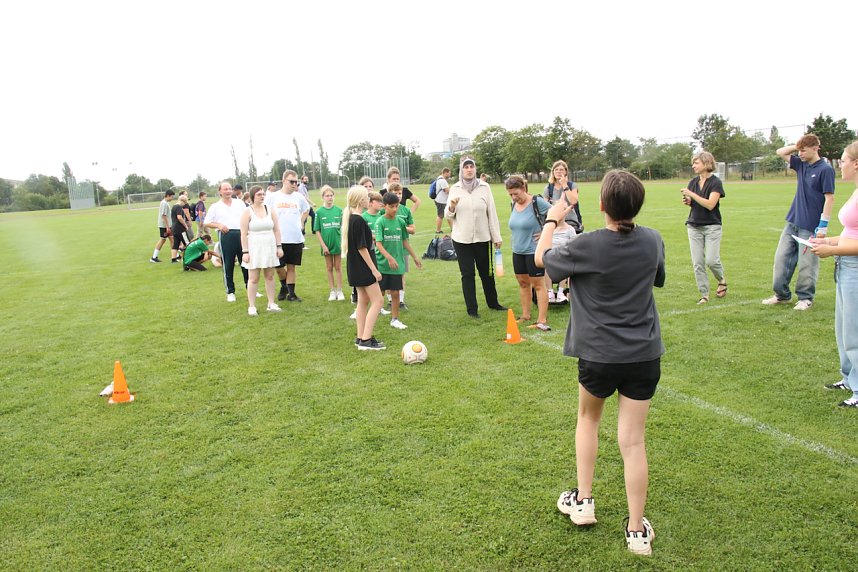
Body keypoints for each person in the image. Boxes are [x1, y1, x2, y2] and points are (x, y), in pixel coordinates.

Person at [535, 169, 665, 556]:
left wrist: (552, 219)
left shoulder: (587, 244)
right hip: (644, 355)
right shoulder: (653, 240)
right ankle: (636, 530)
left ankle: (584, 501)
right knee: (633, 440)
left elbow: (542, 258)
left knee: (588, 420)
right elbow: (655, 278)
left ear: (602, 205)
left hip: (599, 356)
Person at [810, 141, 858, 408]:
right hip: (845, 264)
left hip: (855, 267)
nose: (839, 164)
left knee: (855, 331)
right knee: (843, 329)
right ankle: (849, 378)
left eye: (842, 159)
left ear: (856, 163)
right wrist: (829, 242)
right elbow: (852, 233)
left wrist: (833, 249)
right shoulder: (854, 192)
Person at [764, 134, 836, 310]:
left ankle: (805, 298)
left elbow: (830, 198)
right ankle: (782, 295)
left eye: (804, 150)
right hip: (792, 222)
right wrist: (797, 147)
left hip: (811, 226)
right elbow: (780, 151)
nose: (800, 154)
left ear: (815, 148)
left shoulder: (825, 170)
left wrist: (823, 226)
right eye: (799, 151)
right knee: (781, 259)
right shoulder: (801, 165)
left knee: (807, 265)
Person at [444, 155, 506, 318]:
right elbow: (448, 215)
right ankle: (472, 309)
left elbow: (491, 212)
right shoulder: (455, 188)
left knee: (487, 273)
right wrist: (452, 206)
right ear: (461, 170)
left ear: (475, 169)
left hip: (483, 238)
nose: (469, 170)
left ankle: (493, 303)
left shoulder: (485, 187)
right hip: (461, 239)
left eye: (471, 167)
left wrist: (496, 236)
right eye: (466, 167)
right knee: (467, 274)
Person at [342, 185, 385, 351]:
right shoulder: (358, 219)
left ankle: (360, 338)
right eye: (367, 197)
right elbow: (362, 248)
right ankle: (366, 339)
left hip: (355, 267)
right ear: (360, 200)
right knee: (378, 300)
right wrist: (374, 269)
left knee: (363, 301)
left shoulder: (352, 218)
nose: (369, 199)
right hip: (363, 267)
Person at [681, 151, 727, 304]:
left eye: (696, 163)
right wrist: (689, 201)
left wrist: (691, 195)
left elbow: (710, 204)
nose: (693, 166)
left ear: (706, 164)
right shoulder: (693, 182)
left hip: (712, 226)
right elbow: (695, 202)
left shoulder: (715, 183)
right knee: (698, 263)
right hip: (694, 226)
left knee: (712, 260)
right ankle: (704, 294)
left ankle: (722, 280)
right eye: (693, 163)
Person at [506, 175, 551, 331]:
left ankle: (542, 319)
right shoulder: (513, 204)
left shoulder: (536, 202)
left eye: (516, 193)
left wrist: (546, 231)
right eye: (510, 194)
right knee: (523, 284)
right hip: (517, 251)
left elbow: (557, 214)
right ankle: (525, 315)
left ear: (523, 188)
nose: (514, 197)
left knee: (538, 285)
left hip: (534, 251)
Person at [375, 192, 423, 329]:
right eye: (392, 206)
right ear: (384, 206)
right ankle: (375, 311)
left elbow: (404, 241)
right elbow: (378, 244)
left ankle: (395, 319)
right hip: (383, 264)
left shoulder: (401, 222)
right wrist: (389, 258)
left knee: (395, 292)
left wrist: (414, 257)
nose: (395, 209)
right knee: (381, 292)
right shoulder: (380, 222)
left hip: (397, 263)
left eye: (396, 206)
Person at [265, 170, 310, 302]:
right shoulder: (273, 197)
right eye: (292, 181)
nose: (294, 184)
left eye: (296, 182)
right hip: (277, 238)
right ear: (283, 180)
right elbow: (265, 211)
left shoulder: (299, 197)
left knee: (291, 266)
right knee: (278, 267)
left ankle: (291, 294)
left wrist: (302, 221)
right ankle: (284, 286)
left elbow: (306, 209)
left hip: (295, 237)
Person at [544, 160, 583, 303]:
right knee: (549, 255)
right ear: (553, 172)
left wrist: (565, 185)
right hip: (554, 223)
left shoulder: (572, 185)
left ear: (566, 172)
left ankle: (564, 290)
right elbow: (544, 207)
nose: (559, 172)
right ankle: (549, 291)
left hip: (570, 223)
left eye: (562, 170)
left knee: (570, 257)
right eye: (556, 170)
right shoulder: (548, 188)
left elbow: (574, 201)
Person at [240, 185, 283, 316]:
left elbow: (276, 229)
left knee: (270, 276)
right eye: (259, 194)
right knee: (253, 278)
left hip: (269, 245)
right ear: (253, 196)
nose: (262, 196)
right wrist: (245, 252)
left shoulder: (270, 209)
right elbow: (243, 233)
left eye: (263, 194)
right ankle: (251, 306)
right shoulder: (247, 211)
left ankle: (271, 303)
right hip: (254, 247)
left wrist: (279, 246)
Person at [204, 181, 250, 302]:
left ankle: (250, 288)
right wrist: (218, 225)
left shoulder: (239, 203)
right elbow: (207, 222)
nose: (228, 191)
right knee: (228, 264)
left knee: (246, 262)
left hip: (241, 234)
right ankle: (230, 291)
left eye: (230, 189)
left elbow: (247, 216)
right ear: (220, 191)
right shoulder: (215, 206)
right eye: (225, 189)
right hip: (226, 236)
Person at [314, 185, 345, 301]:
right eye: (327, 196)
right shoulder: (319, 212)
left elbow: (343, 227)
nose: (329, 197)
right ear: (323, 197)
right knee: (329, 267)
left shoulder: (339, 210)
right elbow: (317, 230)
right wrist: (323, 245)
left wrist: (342, 242)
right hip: (326, 245)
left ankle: (340, 290)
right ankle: (332, 290)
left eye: (331, 195)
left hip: (337, 243)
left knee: (338, 267)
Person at [387, 182, 415, 310]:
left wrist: (401, 227)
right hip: (389, 248)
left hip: (402, 249)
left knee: (401, 274)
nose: (398, 195)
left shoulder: (406, 210)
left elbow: (412, 229)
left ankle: (401, 301)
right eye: (395, 193)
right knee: (388, 274)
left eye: (400, 193)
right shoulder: (385, 210)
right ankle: (389, 300)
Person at [150, 189, 175, 263]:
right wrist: (167, 227)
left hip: (167, 226)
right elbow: (163, 216)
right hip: (164, 226)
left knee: (172, 239)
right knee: (163, 240)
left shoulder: (165, 203)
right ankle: (154, 257)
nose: (172, 198)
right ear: (167, 196)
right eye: (171, 196)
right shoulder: (164, 203)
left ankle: (175, 256)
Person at [170, 195, 191, 263]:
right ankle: (188, 257)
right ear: (183, 201)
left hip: (174, 228)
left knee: (176, 244)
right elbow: (179, 217)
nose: (184, 205)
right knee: (187, 243)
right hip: (180, 228)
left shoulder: (173, 206)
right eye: (185, 203)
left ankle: (173, 259)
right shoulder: (179, 207)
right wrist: (185, 225)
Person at [433, 168, 452, 234]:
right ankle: (438, 230)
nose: (450, 175)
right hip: (441, 201)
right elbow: (447, 190)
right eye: (449, 173)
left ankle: (452, 228)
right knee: (440, 216)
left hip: (441, 200)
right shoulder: (442, 180)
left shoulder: (439, 179)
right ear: (445, 173)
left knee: (448, 214)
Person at [298, 174, 316, 241]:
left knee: (313, 216)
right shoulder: (301, 187)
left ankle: (313, 230)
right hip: (304, 205)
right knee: (304, 219)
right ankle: (302, 231)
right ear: (302, 180)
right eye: (305, 179)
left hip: (307, 205)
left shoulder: (305, 187)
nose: (306, 180)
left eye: (307, 179)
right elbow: (304, 197)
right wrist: (312, 203)